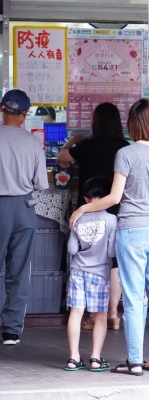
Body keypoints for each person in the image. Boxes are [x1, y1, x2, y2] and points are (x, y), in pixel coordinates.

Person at [70, 99, 149, 376]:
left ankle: (136, 361)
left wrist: (83, 207)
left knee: (133, 297)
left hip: (132, 229)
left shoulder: (126, 154)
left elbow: (114, 197)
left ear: (131, 124)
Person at [59, 102, 130, 331]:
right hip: (116, 211)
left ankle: (90, 314)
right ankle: (112, 313)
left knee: (89, 260)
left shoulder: (87, 146)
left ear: (96, 122)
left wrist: (74, 140)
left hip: (88, 211)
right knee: (114, 261)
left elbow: (62, 156)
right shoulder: (124, 147)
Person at [0, 89, 48, 346]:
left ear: (0, 108)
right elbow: (41, 182)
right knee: (18, 271)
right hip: (24, 208)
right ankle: (11, 330)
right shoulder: (32, 142)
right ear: (25, 113)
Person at [65, 176, 116, 372]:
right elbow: (112, 252)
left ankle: (73, 358)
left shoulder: (77, 218)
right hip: (100, 273)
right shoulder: (112, 220)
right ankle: (95, 358)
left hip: (78, 271)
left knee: (76, 313)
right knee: (100, 315)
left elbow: (71, 249)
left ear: (86, 199)